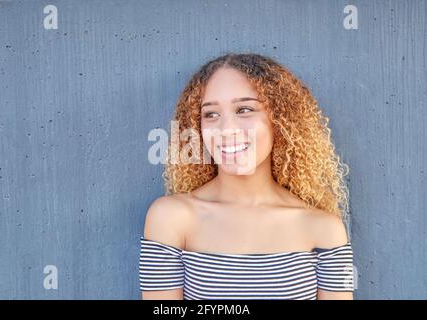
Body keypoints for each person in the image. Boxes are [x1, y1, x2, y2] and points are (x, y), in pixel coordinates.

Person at [139, 53, 354, 300]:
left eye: (244, 109)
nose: (226, 129)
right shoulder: (171, 217)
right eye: (211, 114)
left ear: (280, 120)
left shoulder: (324, 229)